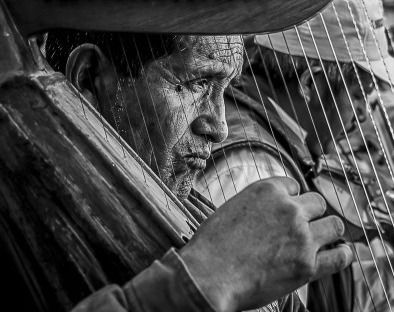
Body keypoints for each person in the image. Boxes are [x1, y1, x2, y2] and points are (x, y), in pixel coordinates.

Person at [41, 32, 353, 311]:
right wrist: (213, 275)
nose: (220, 128)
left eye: (225, 89)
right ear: (89, 79)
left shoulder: (186, 202)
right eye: (197, 82)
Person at [196, 0, 394, 312]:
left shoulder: (272, 135)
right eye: (360, 93)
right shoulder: (254, 171)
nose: (364, 112)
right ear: (312, 83)